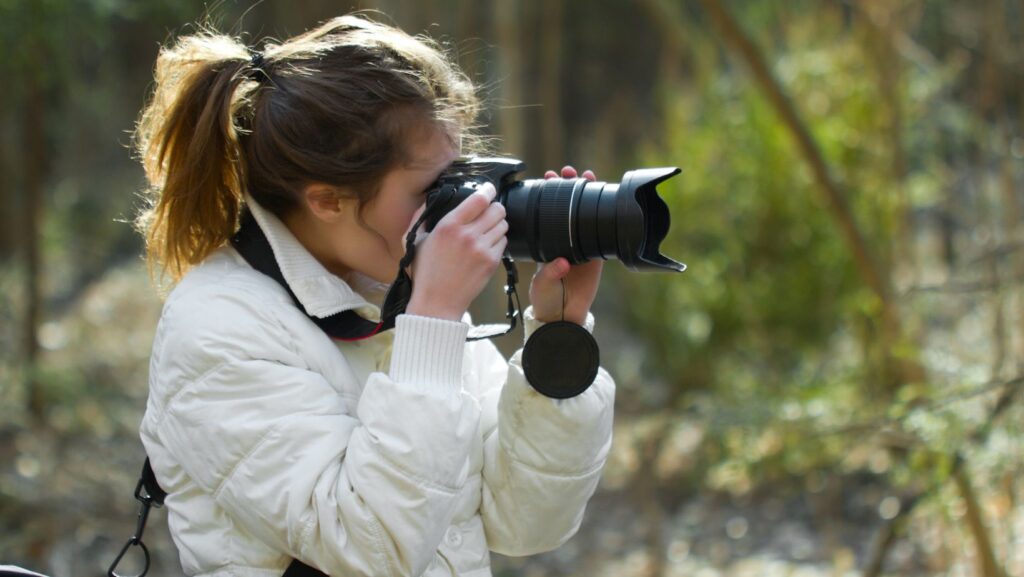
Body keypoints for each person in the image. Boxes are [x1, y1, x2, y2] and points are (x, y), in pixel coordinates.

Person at [134, 12, 614, 577]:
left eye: (457, 179)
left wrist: (557, 335)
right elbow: (371, 549)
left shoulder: (396, 294)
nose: (459, 208)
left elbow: (526, 526)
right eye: (431, 189)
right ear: (328, 200)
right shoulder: (219, 327)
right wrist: (432, 318)